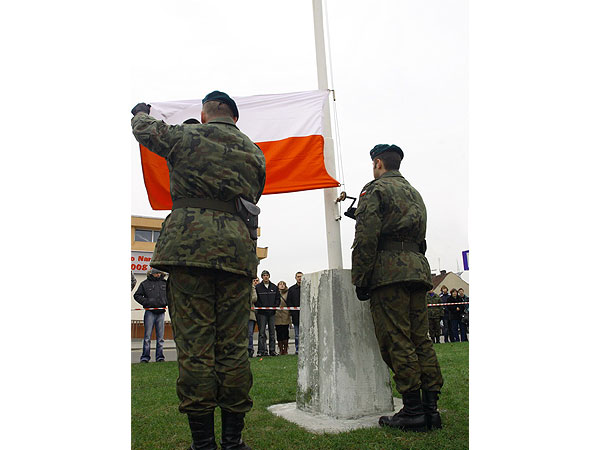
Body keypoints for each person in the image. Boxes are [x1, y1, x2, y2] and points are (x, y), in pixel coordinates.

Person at [131, 91, 266, 450]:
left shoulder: (189, 136)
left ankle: (203, 443)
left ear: (205, 115)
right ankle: (234, 441)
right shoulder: (255, 153)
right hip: (236, 254)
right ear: (235, 118)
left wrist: (141, 111)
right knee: (235, 347)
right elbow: (255, 197)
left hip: (190, 251)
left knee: (195, 349)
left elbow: (146, 130)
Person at [351, 144, 444, 432]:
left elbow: (366, 236)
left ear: (378, 163)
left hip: (389, 273)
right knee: (420, 339)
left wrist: (361, 278)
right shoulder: (414, 193)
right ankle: (431, 409)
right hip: (417, 269)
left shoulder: (375, 189)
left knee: (397, 340)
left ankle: (413, 411)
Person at [133, 268, 168, 363]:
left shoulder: (165, 283)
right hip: (149, 312)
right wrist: (147, 302)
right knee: (147, 337)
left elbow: (170, 295)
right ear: (152, 274)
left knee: (160, 338)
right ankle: (145, 358)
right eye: (157, 273)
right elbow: (137, 295)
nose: (158, 275)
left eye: (159, 273)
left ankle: (160, 357)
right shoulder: (145, 283)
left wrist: (166, 302)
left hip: (161, 312)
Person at [254, 270, 279, 357]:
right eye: (264, 275)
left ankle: (272, 350)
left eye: (267, 275)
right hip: (262, 313)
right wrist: (262, 307)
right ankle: (261, 351)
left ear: (269, 276)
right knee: (261, 333)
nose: (266, 277)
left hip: (272, 313)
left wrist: (274, 307)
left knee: (272, 332)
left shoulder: (274, 287)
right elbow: (256, 300)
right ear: (262, 277)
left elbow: (277, 299)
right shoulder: (258, 287)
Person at [286, 272, 303, 354]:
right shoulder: (292, 289)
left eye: (301, 276)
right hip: (296, 315)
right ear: (295, 278)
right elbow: (288, 301)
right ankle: (297, 349)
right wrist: (292, 311)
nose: (299, 278)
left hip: (306, 315)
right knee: (297, 334)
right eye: (298, 277)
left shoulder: (307, 287)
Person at [275, 281, 291, 355]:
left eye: (283, 284)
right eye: (280, 284)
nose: (281, 286)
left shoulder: (288, 293)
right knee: (279, 332)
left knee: (285, 332)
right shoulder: (276, 293)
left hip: (285, 314)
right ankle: (280, 349)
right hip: (277, 315)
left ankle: (286, 348)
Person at [248, 277, 259, 358]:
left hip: (250, 314)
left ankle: (250, 349)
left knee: (249, 333)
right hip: (239, 314)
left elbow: (254, 298)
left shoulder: (252, 288)